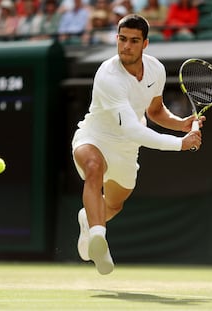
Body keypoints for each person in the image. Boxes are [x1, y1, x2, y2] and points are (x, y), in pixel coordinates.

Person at [71, 14, 204, 275]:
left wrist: (181, 124)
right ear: (116, 39)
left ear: (145, 44)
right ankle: (99, 236)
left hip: (126, 150)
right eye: (122, 39)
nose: (126, 46)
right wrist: (180, 144)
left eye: (133, 41)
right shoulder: (108, 76)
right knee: (93, 167)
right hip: (94, 136)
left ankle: (88, 220)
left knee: (114, 204)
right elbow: (133, 129)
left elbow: (155, 111)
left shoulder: (156, 70)